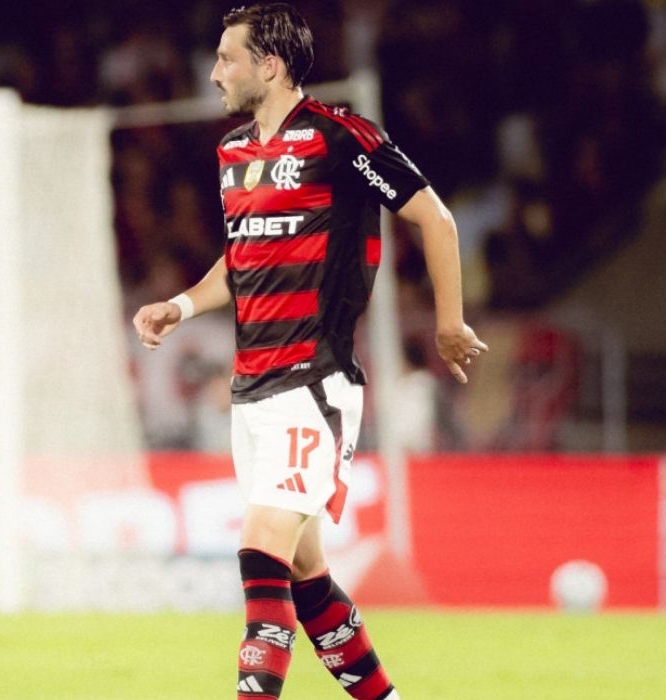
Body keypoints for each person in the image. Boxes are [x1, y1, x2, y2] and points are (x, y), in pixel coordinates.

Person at [132, 5, 487, 699]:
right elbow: (241, 259)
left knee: (260, 550)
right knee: (305, 576)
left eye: (227, 59)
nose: (214, 73)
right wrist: (181, 305)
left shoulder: (341, 137)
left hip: (311, 384)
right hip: (251, 391)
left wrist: (450, 321)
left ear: (269, 65)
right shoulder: (234, 154)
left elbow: (435, 218)